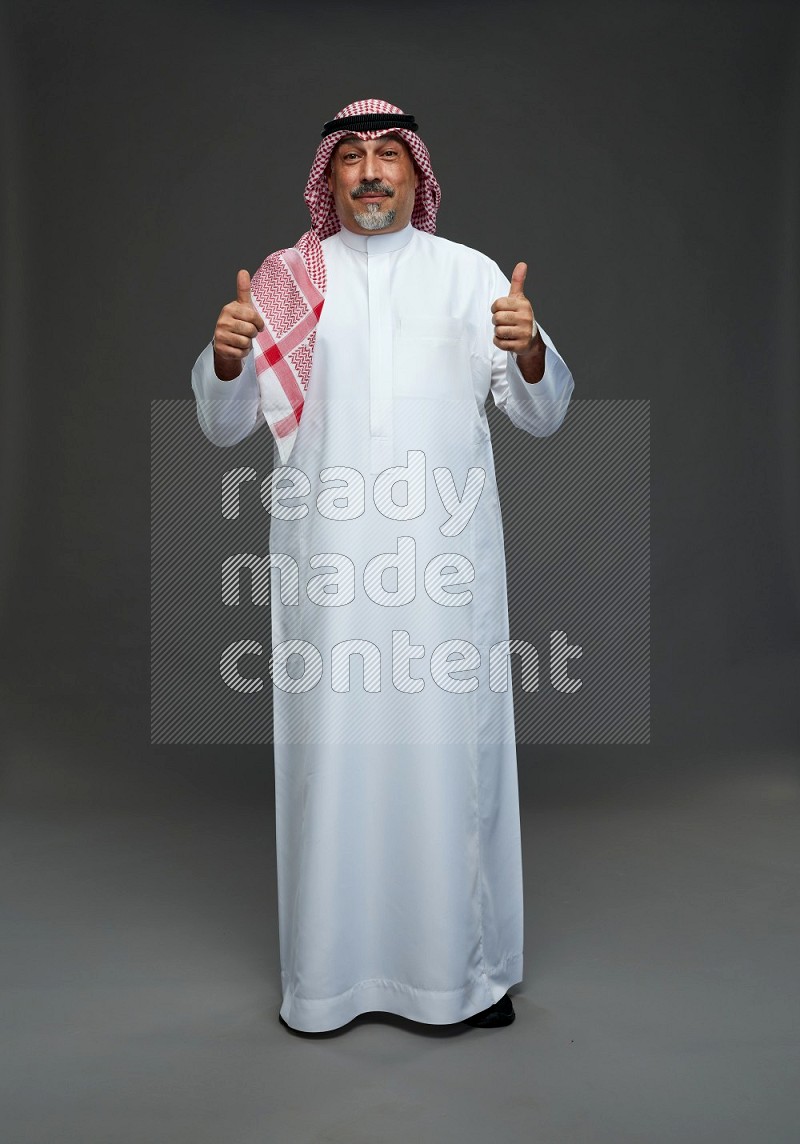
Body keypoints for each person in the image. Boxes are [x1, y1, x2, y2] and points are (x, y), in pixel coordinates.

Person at [191, 99, 574, 1033]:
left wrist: (530, 352)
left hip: (445, 576)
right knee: (337, 763)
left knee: (453, 766)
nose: (369, 171)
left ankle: (462, 975)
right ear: (327, 179)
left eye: (388, 155)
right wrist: (227, 358)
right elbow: (220, 423)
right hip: (329, 576)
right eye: (352, 157)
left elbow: (543, 415)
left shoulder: (470, 276)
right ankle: (329, 980)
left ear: (417, 175)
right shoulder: (285, 281)